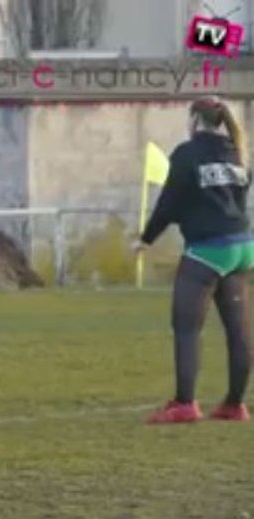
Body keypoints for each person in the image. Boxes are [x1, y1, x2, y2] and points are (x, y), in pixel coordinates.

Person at [136, 95, 253, 424]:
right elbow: (233, 200)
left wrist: (145, 239)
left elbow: (169, 203)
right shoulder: (238, 152)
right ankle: (235, 404)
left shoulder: (187, 153)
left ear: (194, 120)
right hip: (243, 246)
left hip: (208, 249)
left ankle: (184, 404)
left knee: (187, 326)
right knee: (239, 330)